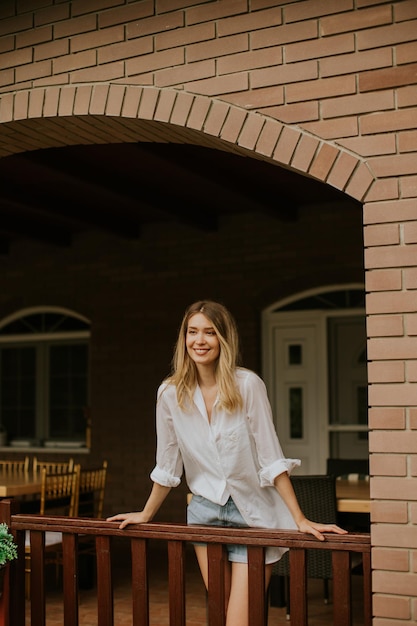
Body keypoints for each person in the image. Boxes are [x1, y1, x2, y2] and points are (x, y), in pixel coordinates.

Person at [108, 300, 347, 626]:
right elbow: (167, 463)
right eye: (192, 332)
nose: (199, 340)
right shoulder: (169, 394)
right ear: (184, 338)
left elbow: (271, 456)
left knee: (240, 620)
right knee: (221, 615)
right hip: (205, 513)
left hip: (254, 514)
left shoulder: (247, 385)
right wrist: (146, 514)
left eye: (210, 332)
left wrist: (300, 518)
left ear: (224, 339)